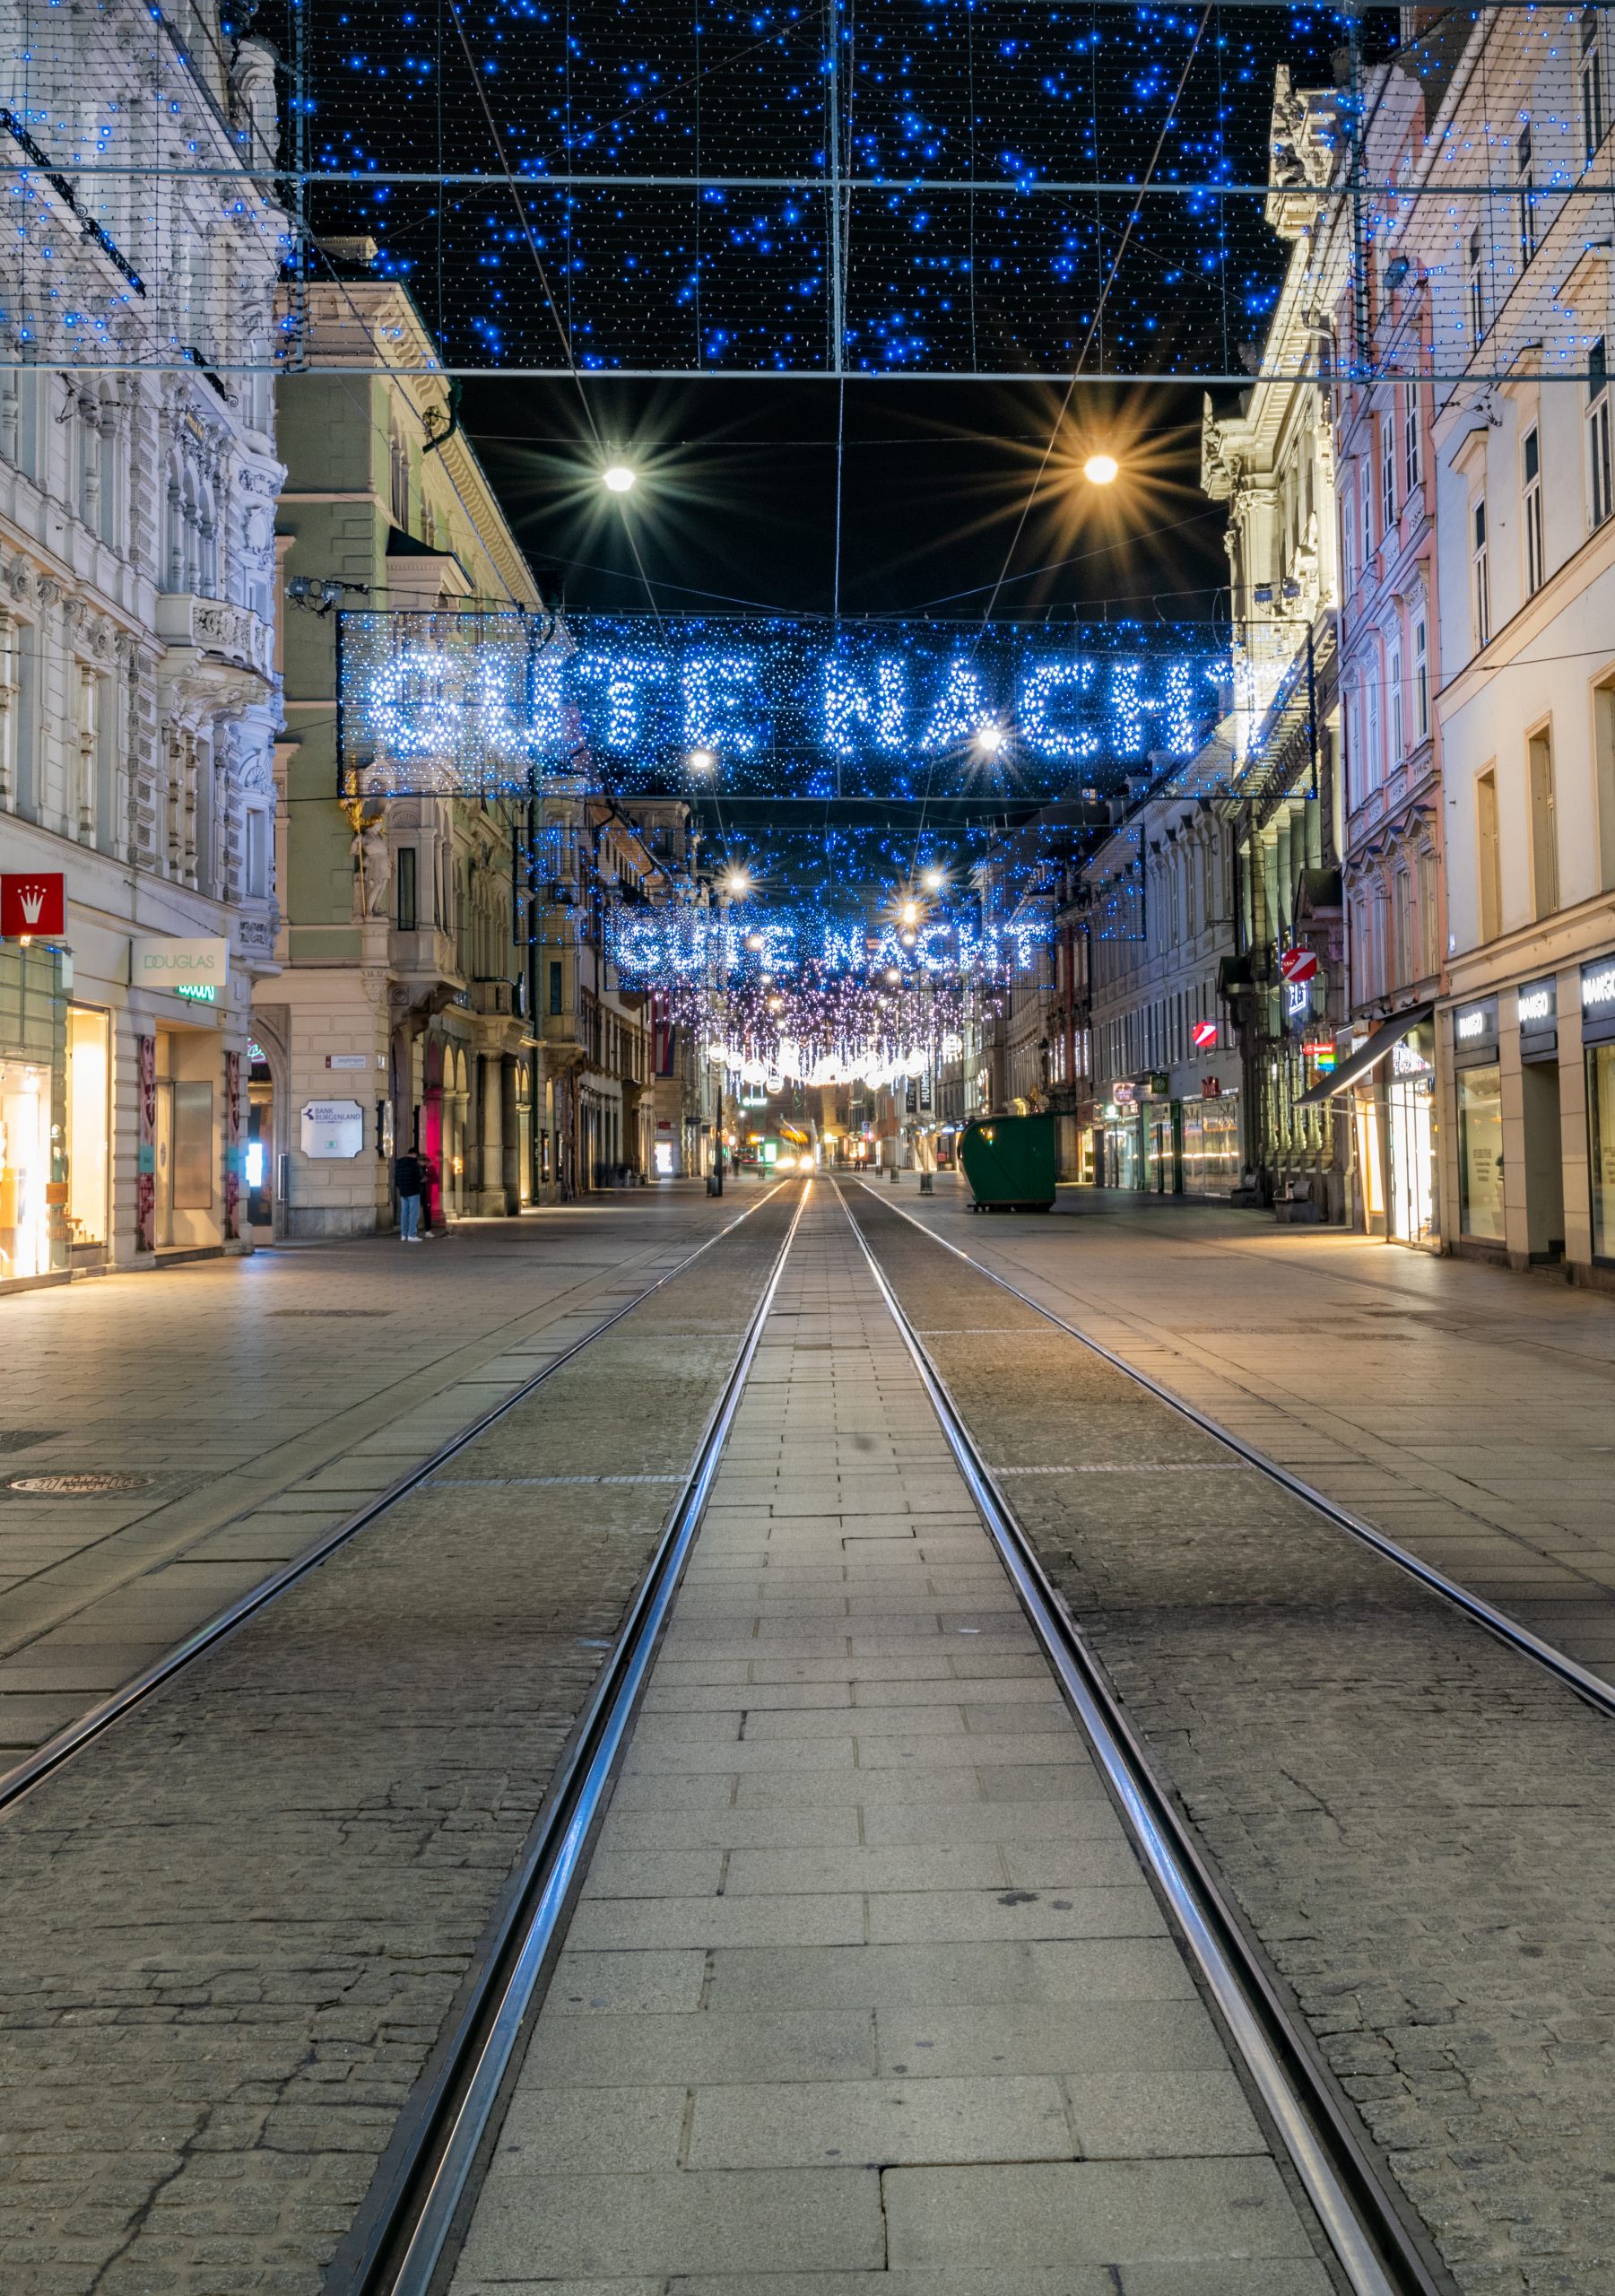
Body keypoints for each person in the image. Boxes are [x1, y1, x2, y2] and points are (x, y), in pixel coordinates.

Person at [395, 1147, 423, 1242]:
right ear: (415, 1154)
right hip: (413, 1191)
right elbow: (417, 1177)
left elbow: (396, 1179)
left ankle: (403, 1235)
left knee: (404, 1213)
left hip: (403, 1191)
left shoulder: (399, 1163)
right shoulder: (413, 1164)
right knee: (413, 1213)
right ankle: (412, 1234)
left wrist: (401, 1186)